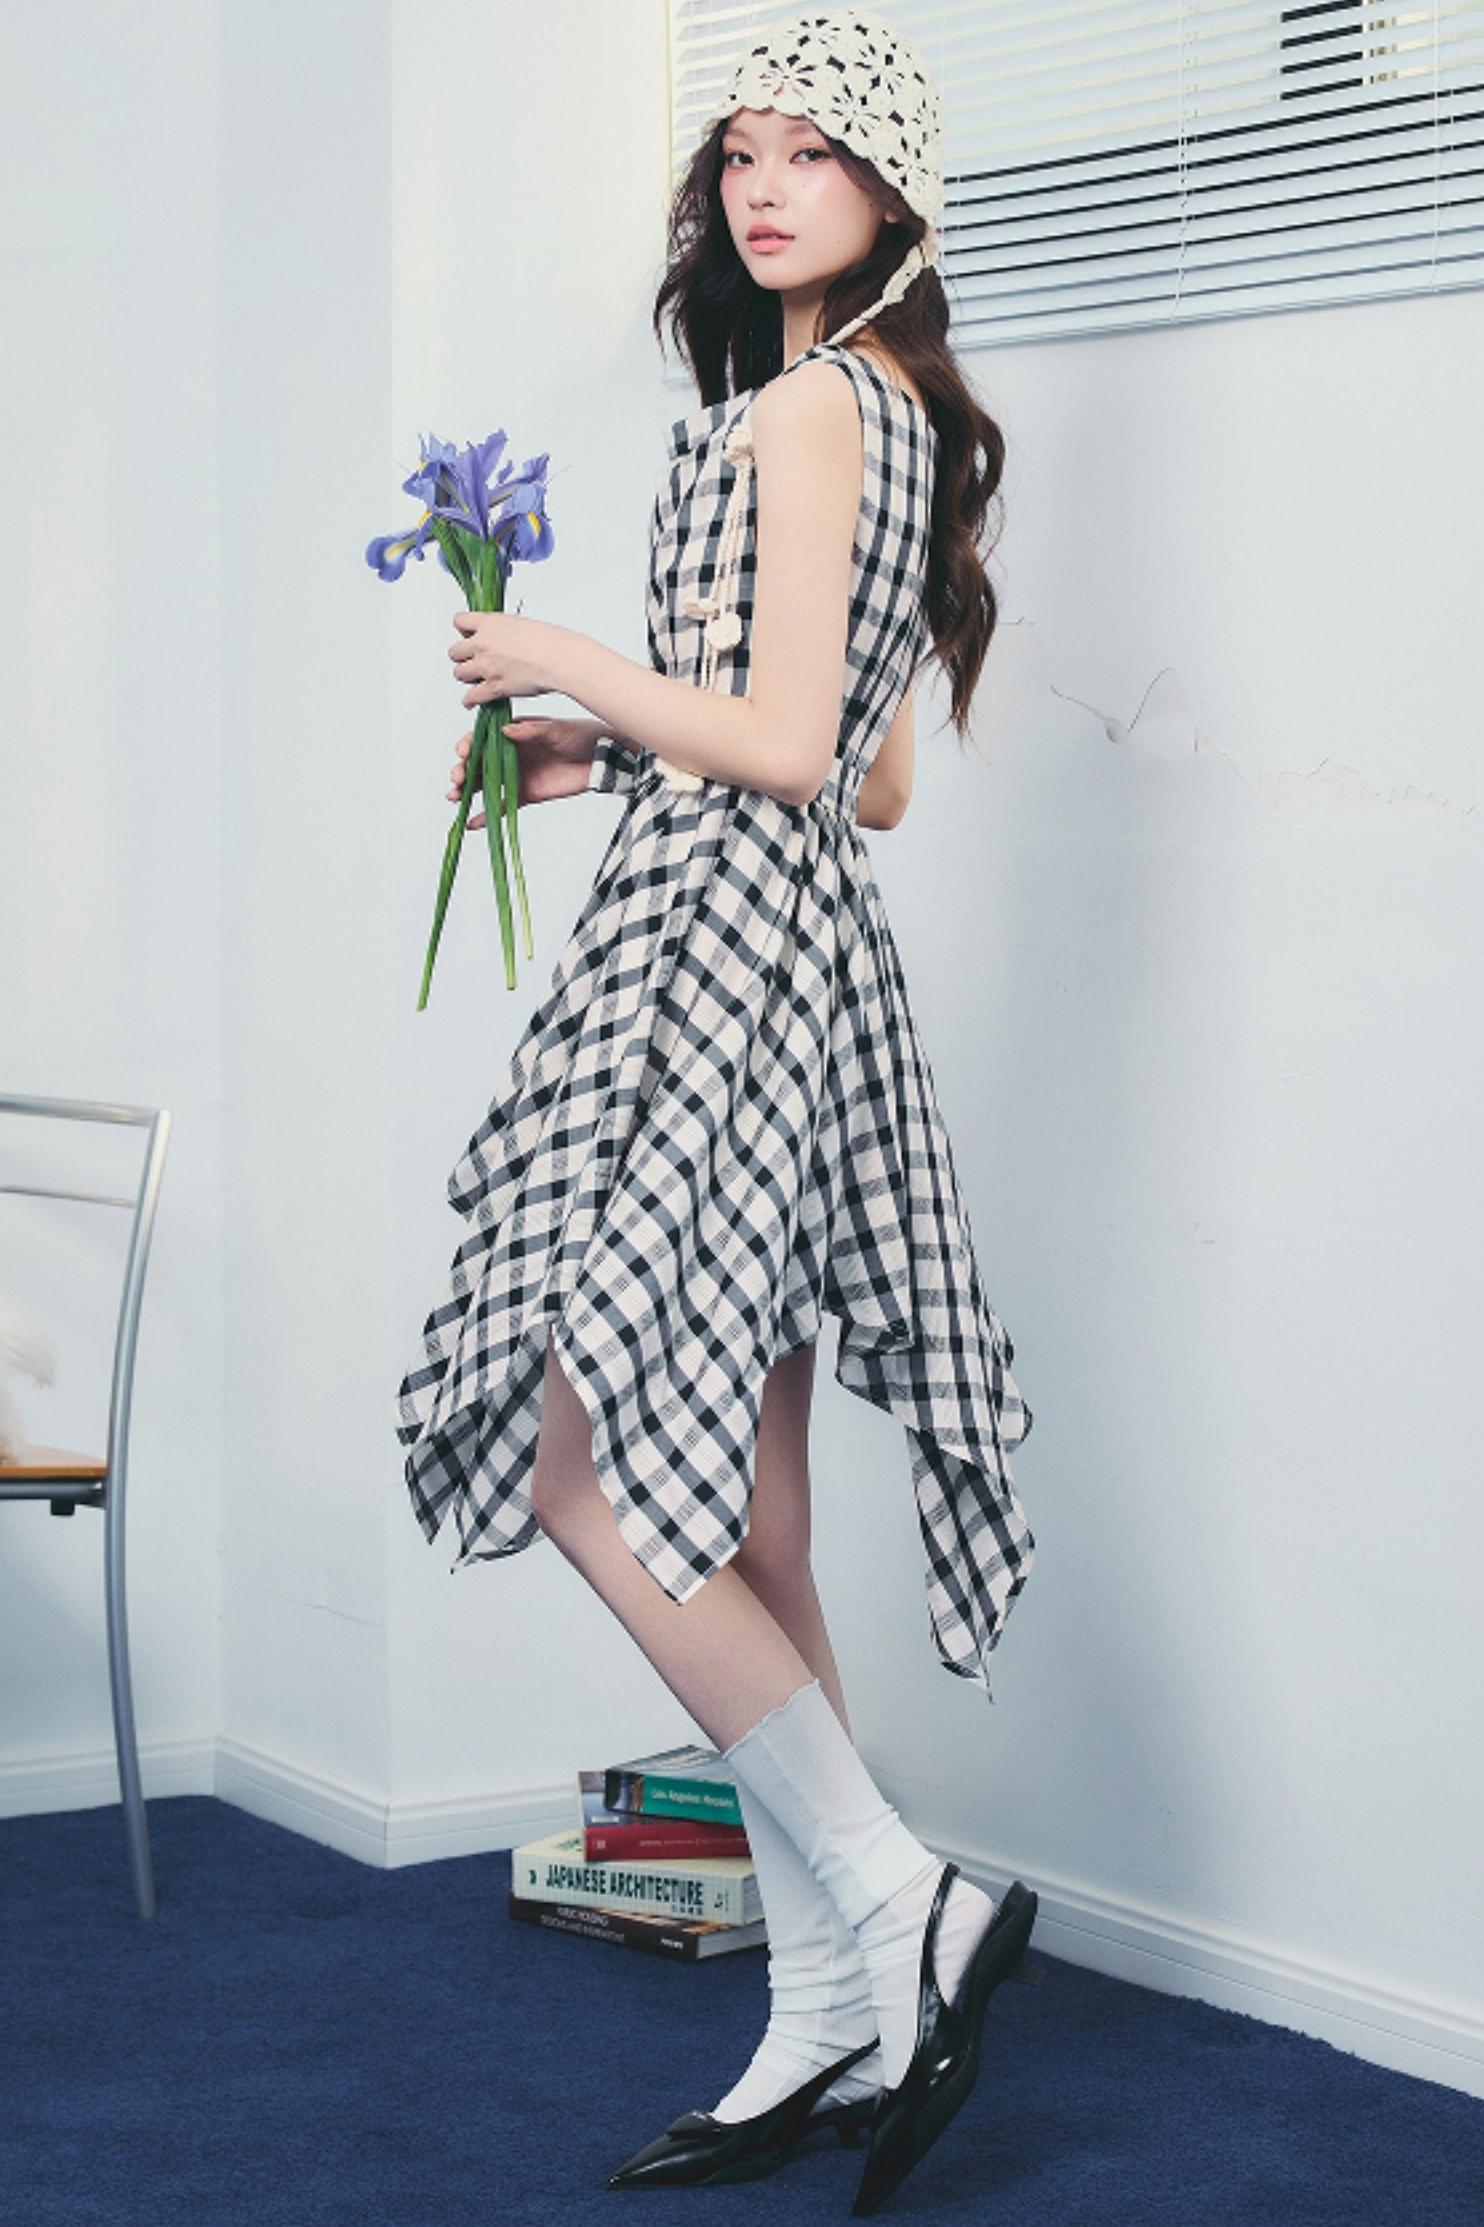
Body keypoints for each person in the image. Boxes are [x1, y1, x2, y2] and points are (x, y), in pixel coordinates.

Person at [395, 8, 1039, 2207]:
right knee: (752, 1525)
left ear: (891, 193)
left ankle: (900, 1896)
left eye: (811, 154)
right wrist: (597, 756)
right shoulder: (883, 410)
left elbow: (783, 748)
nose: (763, 188)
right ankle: (832, 2000)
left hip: (726, 969)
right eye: (740, 152)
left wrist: (559, 658)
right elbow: (865, 770)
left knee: (576, 1455)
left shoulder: (809, 411)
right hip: (781, 944)